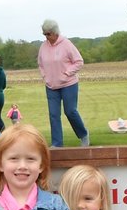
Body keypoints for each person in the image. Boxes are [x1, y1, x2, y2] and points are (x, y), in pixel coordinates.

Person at [38, 19, 90, 148]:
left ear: (55, 33)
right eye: (44, 34)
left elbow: (79, 62)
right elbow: (40, 64)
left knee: (70, 111)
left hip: (68, 84)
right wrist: (45, 76)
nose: (46, 37)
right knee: (54, 114)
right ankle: (57, 144)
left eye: (48, 34)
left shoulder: (66, 44)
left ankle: (83, 135)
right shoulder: (43, 47)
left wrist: (66, 73)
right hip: (51, 86)